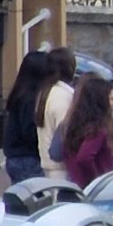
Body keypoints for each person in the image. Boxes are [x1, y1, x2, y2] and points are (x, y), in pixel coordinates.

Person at [1, 50, 56, 183]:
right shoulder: (29, 99)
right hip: (27, 157)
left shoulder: (21, 94)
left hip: (18, 156)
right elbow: (30, 131)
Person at [63, 76, 113, 187]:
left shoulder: (75, 124)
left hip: (77, 184)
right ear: (101, 100)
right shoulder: (98, 129)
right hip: (96, 188)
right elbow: (84, 157)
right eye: (111, 99)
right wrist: (95, 180)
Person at [38, 47, 78, 180]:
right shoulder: (63, 96)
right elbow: (65, 133)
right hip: (61, 168)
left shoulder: (46, 91)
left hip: (49, 164)